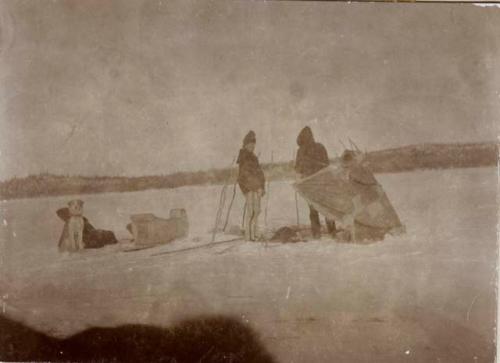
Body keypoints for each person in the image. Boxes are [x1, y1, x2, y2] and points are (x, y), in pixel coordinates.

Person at [295, 126, 336, 239]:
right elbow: (326, 165)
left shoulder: (301, 151)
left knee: (313, 209)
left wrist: (300, 178)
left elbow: (298, 169)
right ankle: (332, 232)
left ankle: (316, 233)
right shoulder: (320, 147)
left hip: (310, 184)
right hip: (322, 182)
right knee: (327, 208)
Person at [237, 131, 265, 241]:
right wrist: (254, 187)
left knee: (257, 211)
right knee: (251, 212)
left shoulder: (254, 157)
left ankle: (255, 234)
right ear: (245, 145)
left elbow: (259, 173)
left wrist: (262, 187)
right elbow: (244, 175)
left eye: (254, 144)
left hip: (256, 188)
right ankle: (249, 236)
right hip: (249, 188)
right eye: (250, 144)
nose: (252, 146)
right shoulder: (244, 157)